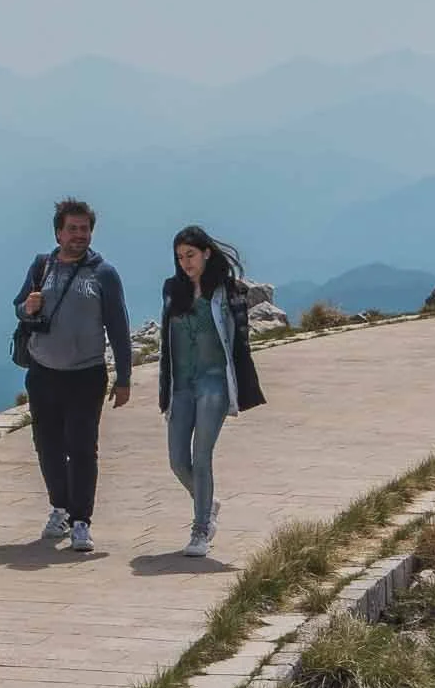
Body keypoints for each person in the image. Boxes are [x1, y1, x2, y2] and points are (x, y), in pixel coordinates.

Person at [14, 197, 132, 555]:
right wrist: (27, 307)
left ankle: (82, 521)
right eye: (72, 229)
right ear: (58, 232)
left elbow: (119, 325)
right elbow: (19, 306)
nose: (79, 236)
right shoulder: (41, 267)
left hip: (86, 375)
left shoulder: (104, 273)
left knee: (82, 448)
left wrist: (124, 377)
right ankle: (60, 508)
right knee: (47, 447)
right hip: (43, 373)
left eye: (85, 229)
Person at [157, 225, 265, 556]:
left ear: (206, 253)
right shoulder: (171, 290)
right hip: (182, 385)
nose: (185, 262)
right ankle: (209, 502)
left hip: (214, 382)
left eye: (190, 255)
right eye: (179, 257)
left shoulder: (227, 291)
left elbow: (241, 342)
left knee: (201, 457)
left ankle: (201, 529)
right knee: (177, 461)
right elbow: (165, 346)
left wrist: (245, 385)